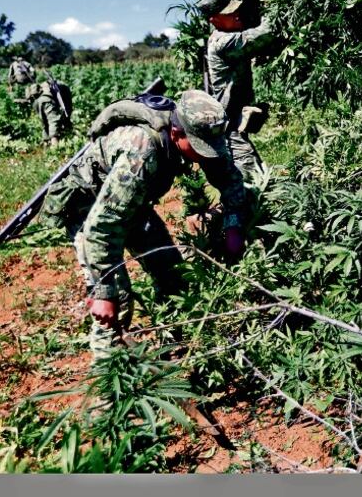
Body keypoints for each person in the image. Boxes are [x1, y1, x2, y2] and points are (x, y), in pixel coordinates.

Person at [41, 89, 247, 359]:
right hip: (90, 209)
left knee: (172, 275)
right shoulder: (141, 153)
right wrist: (103, 292)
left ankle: (173, 347)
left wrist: (233, 223)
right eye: (199, 147)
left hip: (132, 202)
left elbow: (229, 179)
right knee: (117, 303)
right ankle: (110, 385)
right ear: (176, 134)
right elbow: (101, 227)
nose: (205, 154)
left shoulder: (202, 130)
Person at [197, 0, 276, 184]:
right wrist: (274, 6)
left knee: (252, 175)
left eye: (236, 9)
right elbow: (267, 33)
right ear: (214, 20)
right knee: (252, 179)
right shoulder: (223, 42)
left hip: (232, 121)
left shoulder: (228, 32)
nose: (236, 14)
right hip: (229, 127)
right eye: (229, 13)